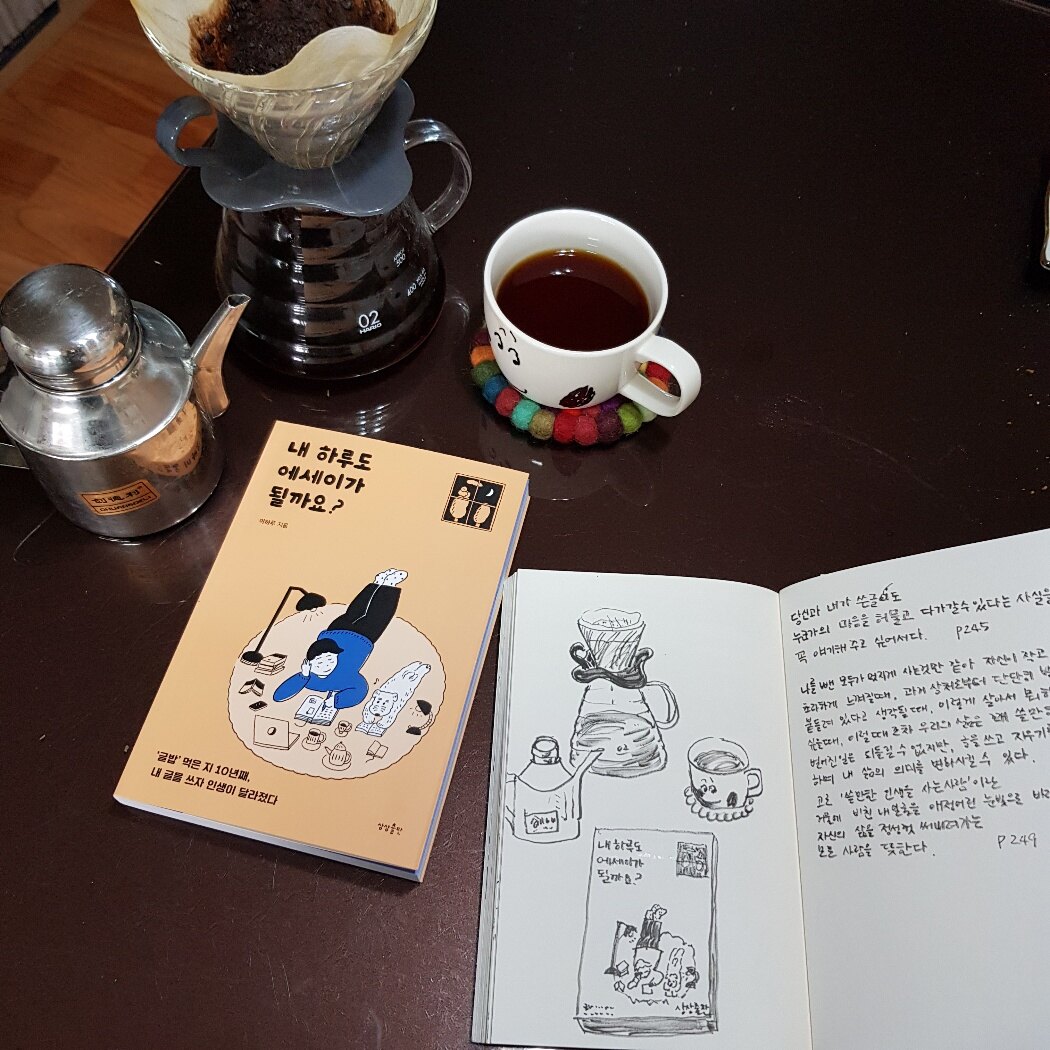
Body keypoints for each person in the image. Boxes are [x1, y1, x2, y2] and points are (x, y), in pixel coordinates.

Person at [273, 569, 407, 710]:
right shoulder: (339, 679)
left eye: (331, 659)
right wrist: (337, 701)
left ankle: (377, 583)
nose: (326, 665)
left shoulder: (309, 678)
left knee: (357, 609)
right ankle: (389, 585)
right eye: (321, 662)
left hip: (336, 630)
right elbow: (360, 689)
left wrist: (303, 675)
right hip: (363, 637)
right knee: (380, 614)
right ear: (310, 664)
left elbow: (281, 693)